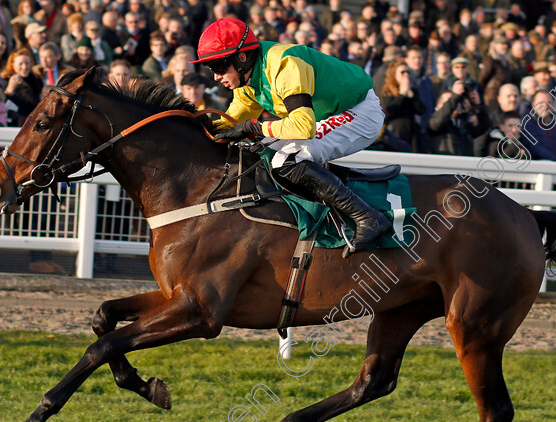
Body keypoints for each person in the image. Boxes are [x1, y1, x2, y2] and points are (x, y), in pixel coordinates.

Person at [194, 18, 389, 253]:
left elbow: (303, 127)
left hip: (358, 112)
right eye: (211, 69)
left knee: (286, 161)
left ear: (241, 58)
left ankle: (366, 215)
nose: (216, 76)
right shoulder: (246, 78)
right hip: (322, 117)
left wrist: (255, 128)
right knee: (263, 152)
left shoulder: (285, 63)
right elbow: (231, 121)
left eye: (218, 67)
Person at [428, 80, 490, 156]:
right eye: (449, 102)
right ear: (439, 106)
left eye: (456, 101)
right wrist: (454, 96)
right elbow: (438, 121)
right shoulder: (433, 120)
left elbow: (484, 127)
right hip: (445, 165)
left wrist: (478, 105)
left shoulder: (463, 124)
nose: (454, 104)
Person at [380, 59, 425, 152]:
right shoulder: (387, 91)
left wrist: (411, 95)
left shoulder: (413, 90)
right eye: (402, 72)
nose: (406, 75)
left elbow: (421, 110)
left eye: (408, 72)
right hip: (395, 131)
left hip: (411, 132)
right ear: (394, 75)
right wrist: (401, 95)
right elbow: (388, 110)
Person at [1, 48, 43, 124]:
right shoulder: (5, 80)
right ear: (12, 64)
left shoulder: (36, 80)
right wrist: (9, 92)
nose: (24, 67)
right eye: (20, 64)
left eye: (27, 63)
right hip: (15, 122)